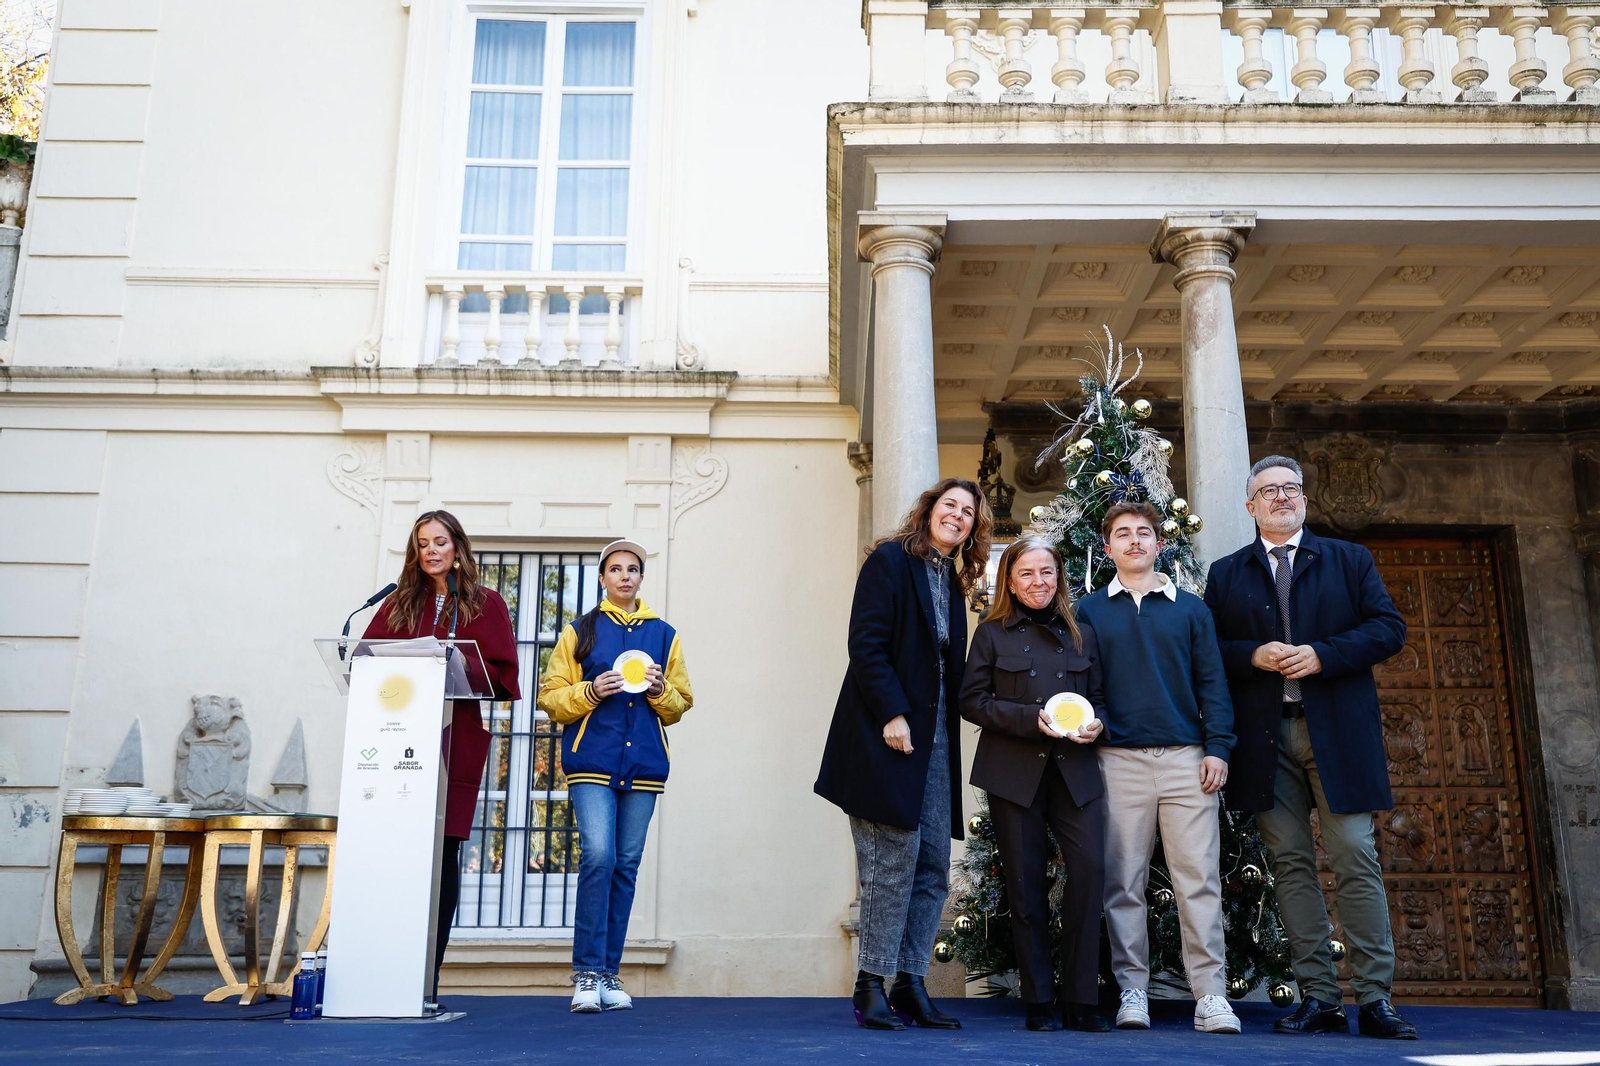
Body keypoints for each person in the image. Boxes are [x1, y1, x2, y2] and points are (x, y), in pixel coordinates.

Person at [1203, 456, 1414, 1040]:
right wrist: (1252, 654)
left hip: (1338, 731)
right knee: (1291, 866)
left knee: (1354, 854)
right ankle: (1320, 997)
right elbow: (1208, 648)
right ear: (1250, 506)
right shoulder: (1226, 573)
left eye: (1290, 489)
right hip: (1264, 737)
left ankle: (1374, 998)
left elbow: (1388, 629)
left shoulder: (1349, 559)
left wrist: (1323, 654)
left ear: (1303, 499)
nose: (1281, 498)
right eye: (1268, 491)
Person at [815, 478, 992, 1030]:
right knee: (890, 865)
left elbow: (951, 671)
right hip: (883, 737)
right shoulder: (891, 561)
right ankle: (871, 985)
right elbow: (866, 643)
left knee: (932, 866)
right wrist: (892, 712)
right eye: (950, 506)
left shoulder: (950, 580)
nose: (958, 516)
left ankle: (911, 983)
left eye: (968, 512)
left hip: (935, 742)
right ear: (928, 511)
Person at [1074, 501, 1240, 1035]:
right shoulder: (1089, 611)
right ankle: (1132, 991)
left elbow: (1213, 682)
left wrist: (1218, 747)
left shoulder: (1190, 610)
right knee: (1124, 881)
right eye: (1123, 534)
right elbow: (1081, 684)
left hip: (1187, 761)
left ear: (1159, 544)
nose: (1135, 542)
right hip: (1116, 762)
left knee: (1199, 881)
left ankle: (1211, 996)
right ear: (1108, 549)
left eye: (1144, 533)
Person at [362, 509, 520, 1008]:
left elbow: (504, 677)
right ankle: (383, 971)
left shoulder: (485, 603)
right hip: (393, 745)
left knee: (441, 856)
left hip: (454, 740)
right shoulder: (397, 602)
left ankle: (425, 979)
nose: (431, 550)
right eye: (422, 543)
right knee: (394, 854)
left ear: (458, 547)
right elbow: (365, 659)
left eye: (440, 541)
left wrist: (454, 659)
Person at [959, 536, 1110, 1033]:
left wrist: (1097, 725)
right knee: (1025, 888)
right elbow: (972, 701)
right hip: (1013, 772)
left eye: (1046, 572)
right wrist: (1029, 718)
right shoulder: (991, 633)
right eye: (1026, 573)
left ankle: (1081, 999)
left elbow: (1103, 700)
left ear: (1059, 577)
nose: (1038, 582)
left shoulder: (1083, 634)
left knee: (1088, 877)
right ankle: (1040, 1001)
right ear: (1010, 580)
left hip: (1076, 773)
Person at [538, 539, 693, 1014]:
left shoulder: (664, 635)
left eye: (633, 569)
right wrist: (589, 690)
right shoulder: (578, 632)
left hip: (644, 763)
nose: (625, 576)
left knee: (626, 865)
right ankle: (585, 973)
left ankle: (608, 974)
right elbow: (550, 696)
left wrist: (662, 691)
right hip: (593, 762)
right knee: (599, 857)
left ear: (641, 579)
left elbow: (681, 704)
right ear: (603, 578)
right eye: (616, 569)